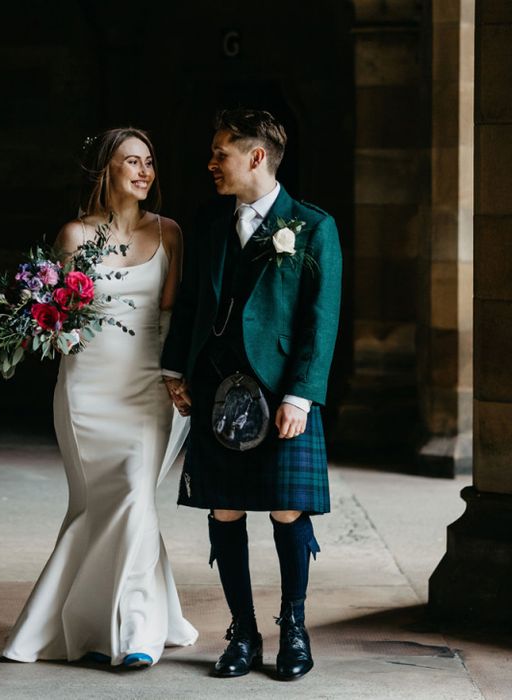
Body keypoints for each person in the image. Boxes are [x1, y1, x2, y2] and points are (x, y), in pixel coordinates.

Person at [3, 128, 198, 669]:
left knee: (135, 493)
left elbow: (170, 317)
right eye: (131, 161)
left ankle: (134, 632)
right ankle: (91, 624)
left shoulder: (171, 234)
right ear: (104, 171)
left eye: (149, 162)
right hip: (87, 388)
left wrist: (178, 377)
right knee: (100, 505)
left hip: (148, 385)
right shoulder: (72, 236)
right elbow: (56, 319)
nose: (143, 171)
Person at [161, 109, 342, 681]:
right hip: (217, 389)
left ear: (256, 157)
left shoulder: (312, 226)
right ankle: (243, 632)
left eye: (221, 153)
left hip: (282, 394)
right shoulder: (212, 223)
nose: (211, 164)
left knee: (288, 508)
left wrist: (302, 396)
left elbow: (321, 319)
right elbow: (191, 304)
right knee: (225, 507)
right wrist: (176, 370)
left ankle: (294, 627)